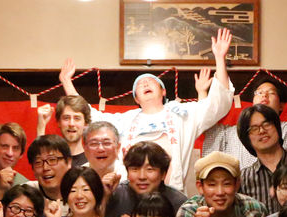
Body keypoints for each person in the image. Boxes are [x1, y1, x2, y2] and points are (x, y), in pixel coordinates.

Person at [60, 29, 234, 191]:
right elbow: (90, 115)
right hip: (130, 192)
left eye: (150, 81)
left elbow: (217, 104)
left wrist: (220, 58)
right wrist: (67, 82)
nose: (144, 83)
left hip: (170, 193)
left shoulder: (182, 114)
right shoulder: (125, 120)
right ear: (136, 99)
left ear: (163, 91)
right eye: (140, 84)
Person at [175, 152, 267, 217]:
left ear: (237, 185)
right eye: (212, 184)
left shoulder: (255, 210)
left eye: (227, 184)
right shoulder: (188, 212)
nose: (220, 192)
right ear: (200, 187)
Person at [104, 141, 187, 217]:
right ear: (127, 173)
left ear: (163, 174)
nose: (142, 176)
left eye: (150, 169)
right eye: (135, 169)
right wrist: (104, 197)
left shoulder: (178, 203)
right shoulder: (115, 195)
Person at [37, 95, 92, 166]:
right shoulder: (52, 161)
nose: (71, 124)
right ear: (59, 122)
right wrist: (41, 126)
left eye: (77, 118)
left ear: (86, 124)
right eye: (66, 118)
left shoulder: (93, 162)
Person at [0, 122, 30, 197]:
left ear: (21, 154)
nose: (10, 153)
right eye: (5, 146)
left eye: (15, 148)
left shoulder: (25, 185)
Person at [81, 121, 126, 199]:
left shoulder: (128, 176)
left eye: (106, 143)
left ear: (118, 147)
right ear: (84, 148)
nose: (100, 149)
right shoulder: (76, 177)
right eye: (94, 143)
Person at [27, 134, 73, 210]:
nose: (45, 168)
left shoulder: (82, 194)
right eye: (38, 162)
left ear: (68, 162)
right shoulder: (27, 194)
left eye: (52, 160)